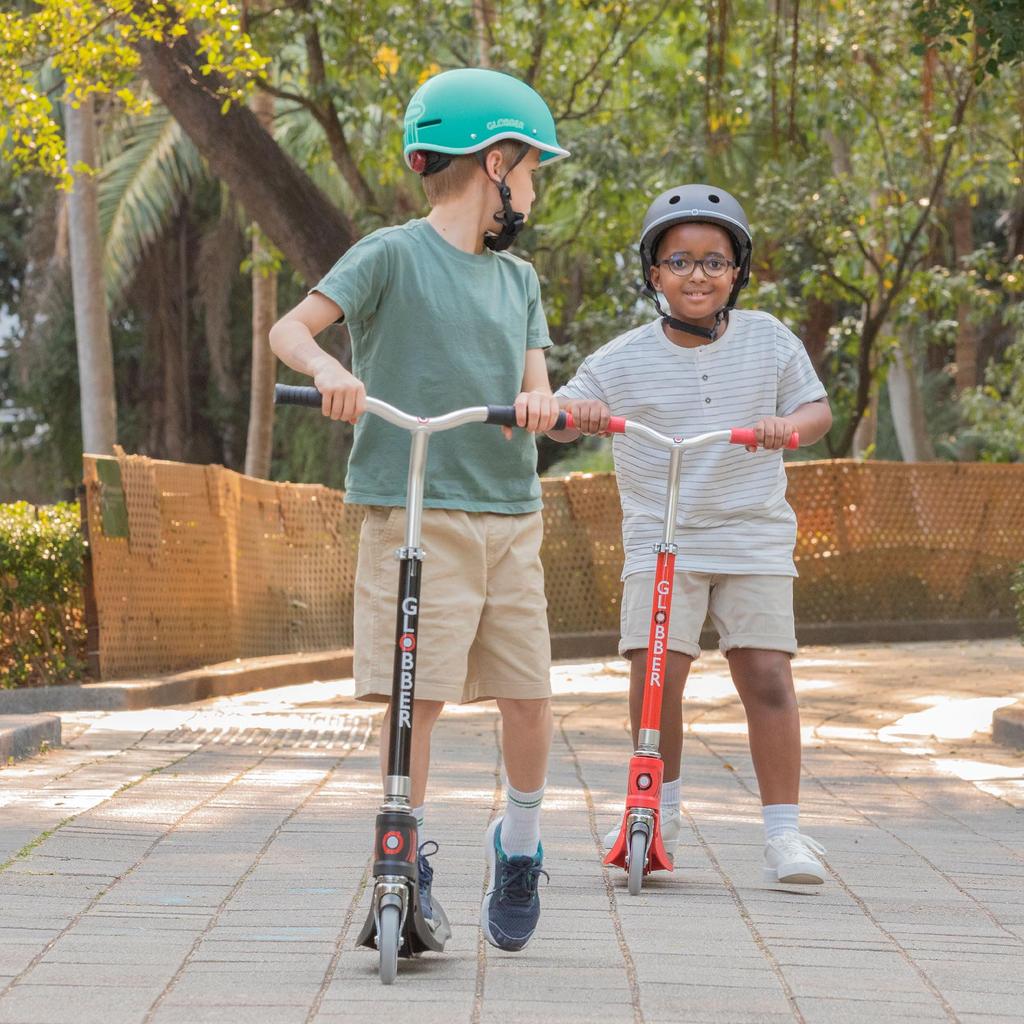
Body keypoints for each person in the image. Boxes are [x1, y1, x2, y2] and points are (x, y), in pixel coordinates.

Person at [268, 67, 569, 948]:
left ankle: (518, 844)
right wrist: (328, 371)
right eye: (532, 169)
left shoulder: (520, 283)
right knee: (415, 698)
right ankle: (403, 861)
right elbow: (293, 328)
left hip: (508, 513)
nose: (533, 187)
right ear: (496, 162)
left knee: (528, 696)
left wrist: (544, 402)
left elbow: (535, 381)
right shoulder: (390, 254)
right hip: (412, 511)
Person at [550, 184, 834, 885]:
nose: (698, 275)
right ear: (654, 273)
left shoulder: (768, 337)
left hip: (752, 533)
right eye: (680, 261)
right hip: (663, 534)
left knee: (766, 675)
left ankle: (784, 836)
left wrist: (786, 427)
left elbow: (816, 409)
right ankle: (656, 812)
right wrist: (574, 413)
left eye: (715, 261)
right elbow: (554, 415)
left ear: (737, 272)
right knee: (657, 674)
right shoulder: (620, 360)